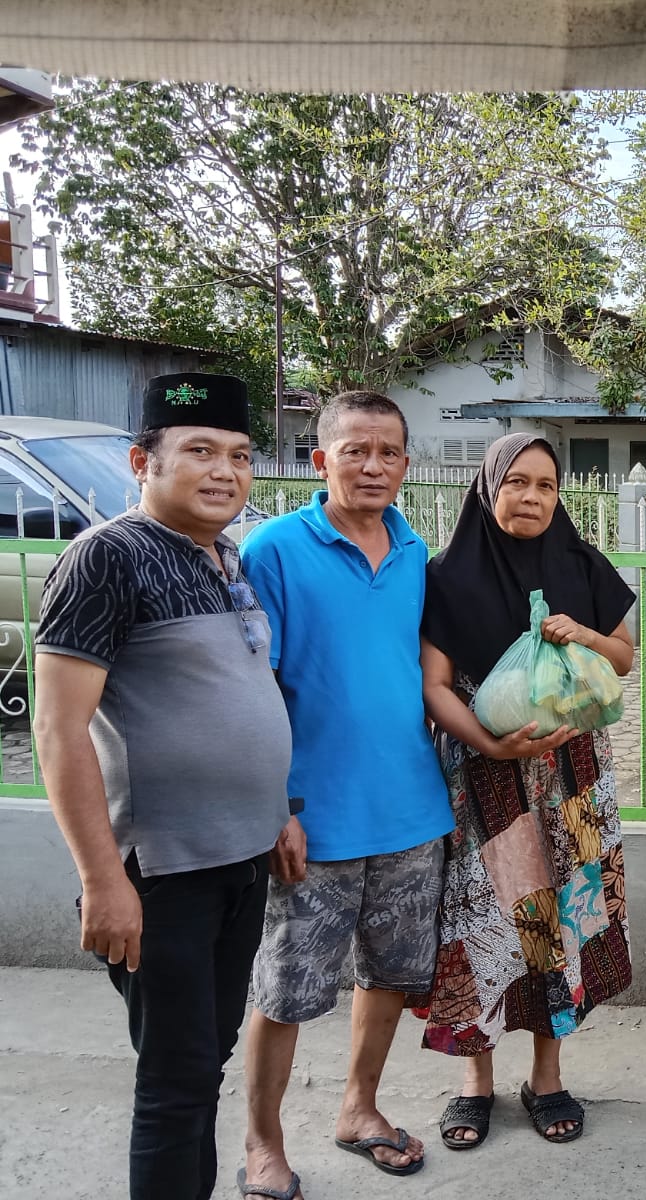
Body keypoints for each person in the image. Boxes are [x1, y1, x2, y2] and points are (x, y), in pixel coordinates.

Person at [33, 372, 295, 1200]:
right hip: (163, 873)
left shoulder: (226, 556)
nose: (225, 471)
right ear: (142, 461)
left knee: (206, 1058)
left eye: (241, 456)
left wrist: (278, 813)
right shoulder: (105, 558)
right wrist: (102, 879)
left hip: (243, 857)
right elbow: (58, 729)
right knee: (177, 1084)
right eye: (200, 452)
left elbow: (243, 698)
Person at [238, 391, 454, 1191]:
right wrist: (278, 808)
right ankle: (263, 1143)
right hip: (312, 821)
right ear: (319, 458)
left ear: (405, 463)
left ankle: (359, 1107)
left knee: (391, 977)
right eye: (354, 450)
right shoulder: (275, 549)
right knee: (288, 991)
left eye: (388, 453)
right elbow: (254, 690)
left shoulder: (413, 550)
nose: (373, 466)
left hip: (410, 811)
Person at [418, 433, 636, 1148]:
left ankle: (547, 1076)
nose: (532, 497)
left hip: (571, 776)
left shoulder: (581, 564)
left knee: (561, 919)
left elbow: (626, 658)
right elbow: (435, 686)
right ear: (488, 486)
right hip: (483, 778)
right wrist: (488, 742)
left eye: (545, 485)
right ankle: (474, 1081)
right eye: (516, 482)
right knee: (479, 923)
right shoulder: (448, 576)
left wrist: (584, 636)